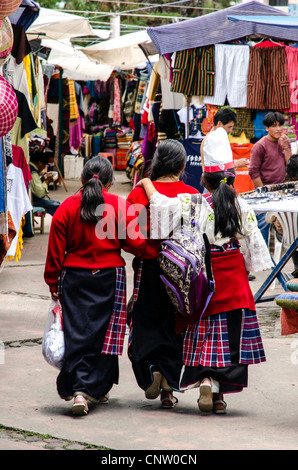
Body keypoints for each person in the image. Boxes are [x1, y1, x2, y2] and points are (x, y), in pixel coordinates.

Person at [138, 127, 272, 414]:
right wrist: (246, 268)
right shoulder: (242, 204)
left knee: (206, 336)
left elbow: (159, 207)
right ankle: (220, 395)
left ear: (204, 178)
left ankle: (206, 381)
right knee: (231, 340)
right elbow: (253, 247)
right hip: (234, 279)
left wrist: (147, 182)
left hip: (206, 280)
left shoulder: (195, 202)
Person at [44, 156, 145, 416]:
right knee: (105, 337)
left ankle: (79, 390)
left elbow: (55, 250)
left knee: (77, 333)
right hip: (110, 277)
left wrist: (52, 281)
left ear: (81, 179)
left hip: (74, 278)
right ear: (110, 182)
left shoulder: (66, 207)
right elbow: (136, 245)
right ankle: (91, 390)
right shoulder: (118, 205)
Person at [127, 139, 199, 409]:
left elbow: (129, 232)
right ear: (182, 166)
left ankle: (152, 372)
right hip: (181, 270)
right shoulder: (192, 193)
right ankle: (169, 386)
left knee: (145, 320)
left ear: (156, 162)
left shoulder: (139, 193)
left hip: (148, 266)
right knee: (175, 321)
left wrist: (143, 248)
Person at [249, 111, 292, 244]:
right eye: (274, 126)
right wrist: (263, 191)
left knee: (288, 225)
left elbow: (290, 167)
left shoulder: (284, 142)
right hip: (266, 192)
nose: (278, 129)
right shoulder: (260, 146)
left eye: (280, 125)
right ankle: (263, 258)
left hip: (283, 191)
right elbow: (253, 171)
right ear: (267, 128)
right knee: (263, 225)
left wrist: (286, 148)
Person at [29, 149, 60, 216]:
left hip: (34, 200)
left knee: (56, 203)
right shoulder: (33, 173)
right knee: (59, 207)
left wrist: (42, 180)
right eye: (44, 165)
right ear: (40, 163)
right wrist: (47, 181)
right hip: (35, 202)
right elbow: (39, 193)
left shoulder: (29, 168)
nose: (43, 168)